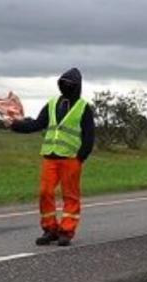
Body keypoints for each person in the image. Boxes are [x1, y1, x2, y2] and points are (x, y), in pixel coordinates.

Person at [8, 68, 95, 246]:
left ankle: (66, 231)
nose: (65, 87)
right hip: (50, 157)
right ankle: (50, 229)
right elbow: (37, 124)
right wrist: (14, 125)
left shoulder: (83, 107)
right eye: (63, 83)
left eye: (69, 84)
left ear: (77, 86)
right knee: (45, 192)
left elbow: (89, 136)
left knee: (70, 196)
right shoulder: (52, 104)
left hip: (71, 159)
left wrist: (80, 158)